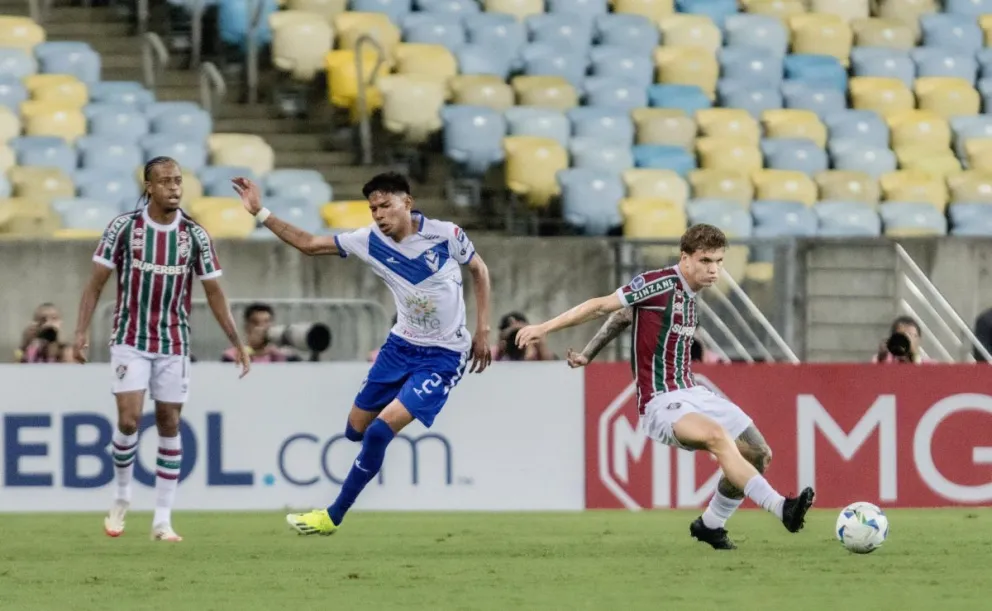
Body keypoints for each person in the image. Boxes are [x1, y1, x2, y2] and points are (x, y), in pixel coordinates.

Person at [515, 223, 815, 550]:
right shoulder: (658, 284)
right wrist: (545, 327)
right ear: (685, 258)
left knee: (758, 453)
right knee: (716, 436)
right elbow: (603, 306)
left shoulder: (690, 295)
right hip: (662, 402)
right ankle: (781, 508)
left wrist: (589, 353)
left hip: (694, 391)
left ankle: (711, 525)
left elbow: (623, 318)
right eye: (705, 261)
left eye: (718, 262)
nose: (713, 269)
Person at [231, 171, 493, 536]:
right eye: (373, 209)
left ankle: (331, 515)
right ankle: (369, 453)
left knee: (377, 434)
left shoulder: (446, 235)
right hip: (399, 347)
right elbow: (308, 243)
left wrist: (482, 329)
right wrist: (260, 212)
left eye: (386, 205)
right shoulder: (366, 241)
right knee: (355, 430)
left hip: (444, 356)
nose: (379, 215)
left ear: (408, 203)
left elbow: (479, 270)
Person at [72, 156, 250, 543]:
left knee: (169, 422)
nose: (174, 188)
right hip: (129, 337)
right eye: (166, 181)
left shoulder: (195, 235)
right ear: (149, 186)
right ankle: (121, 496)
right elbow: (95, 284)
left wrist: (237, 341)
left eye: (179, 181)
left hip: (174, 341)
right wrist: (81, 331)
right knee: (130, 420)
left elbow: (215, 293)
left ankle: (162, 520)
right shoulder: (124, 228)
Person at [221, 303, 300, 363]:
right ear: (246, 327)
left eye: (266, 322)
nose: (261, 327)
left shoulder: (286, 356)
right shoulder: (232, 356)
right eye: (255, 322)